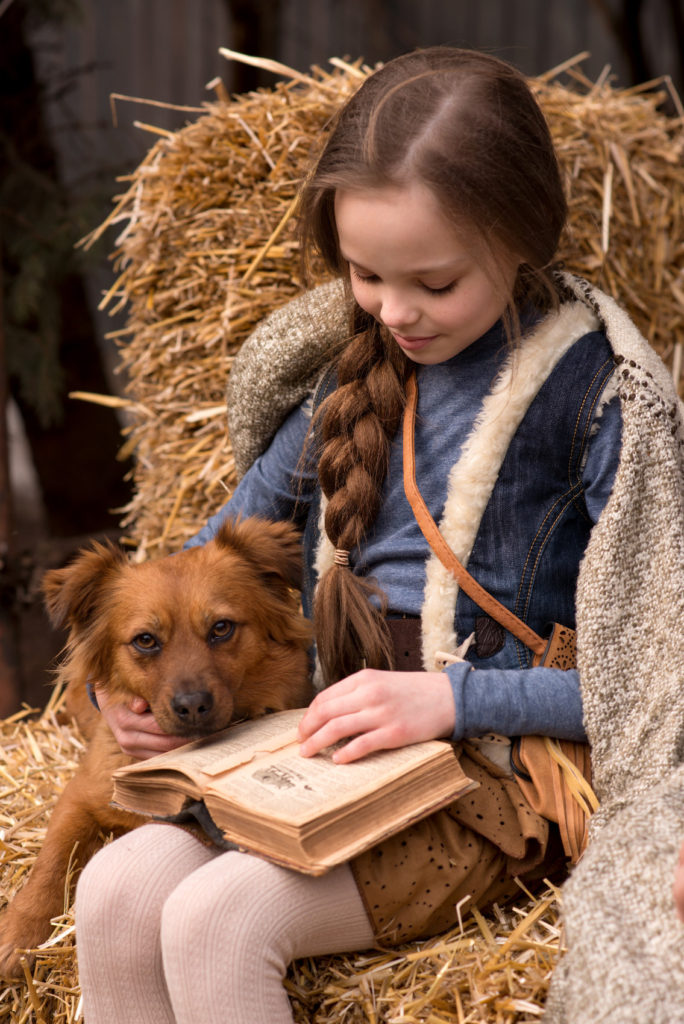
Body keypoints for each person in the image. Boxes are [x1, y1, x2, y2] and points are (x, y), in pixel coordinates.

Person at [74, 46, 684, 1024]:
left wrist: (451, 696)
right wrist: (130, 689)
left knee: (217, 925)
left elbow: (651, 684)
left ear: (521, 237)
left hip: (488, 781)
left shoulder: (598, 399)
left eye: (434, 284)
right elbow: (193, 571)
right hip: (322, 754)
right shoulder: (337, 384)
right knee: (111, 894)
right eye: (365, 275)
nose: (396, 311)